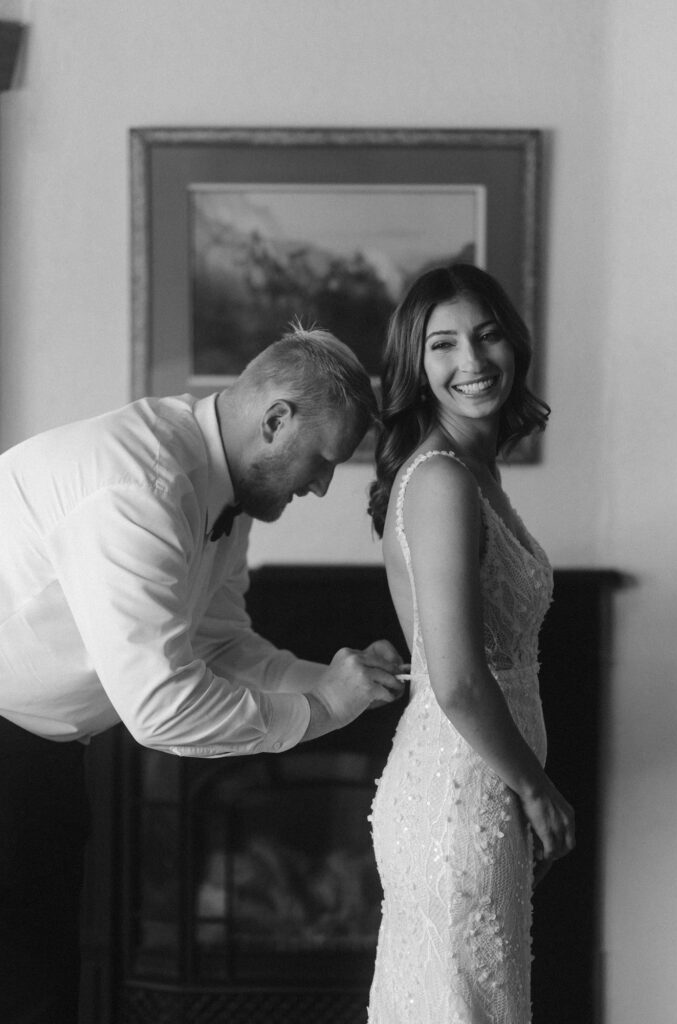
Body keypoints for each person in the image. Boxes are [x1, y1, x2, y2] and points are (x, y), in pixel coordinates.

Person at [0, 325, 404, 1024]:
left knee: (42, 988)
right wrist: (324, 712)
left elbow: (219, 644)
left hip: (43, 755)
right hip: (10, 749)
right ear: (277, 419)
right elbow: (159, 708)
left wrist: (340, 682)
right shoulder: (141, 489)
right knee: (27, 995)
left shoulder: (221, 491)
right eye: (323, 461)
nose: (321, 485)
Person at [366, 264, 575, 1023]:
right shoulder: (442, 480)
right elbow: (454, 678)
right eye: (444, 344)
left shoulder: (474, 471)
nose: (473, 362)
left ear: (512, 344)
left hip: (482, 786)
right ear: (416, 368)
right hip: (462, 792)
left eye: (487, 336)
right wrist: (536, 788)